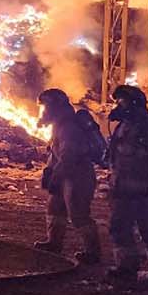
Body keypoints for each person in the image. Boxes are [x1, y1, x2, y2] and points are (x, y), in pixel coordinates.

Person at [105, 85, 148, 284]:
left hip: (144, 190)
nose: (118, 106)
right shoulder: (123, 127)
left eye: (122, 102)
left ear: (134, 104)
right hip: (123, 188)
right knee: (119, 227)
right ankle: (126, 267)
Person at [35, 88, 105, 265]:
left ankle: (92, 251)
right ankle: (54, 243)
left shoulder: (69, 128)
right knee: (55, 209)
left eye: (46, 107)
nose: (44, 111)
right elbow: (56, 153)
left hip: (77, 176)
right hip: (64, 174)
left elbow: (69, 156)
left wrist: (56, 177)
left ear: (55, 108)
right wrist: (49, 171)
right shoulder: (59, 126)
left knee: (78, 213)